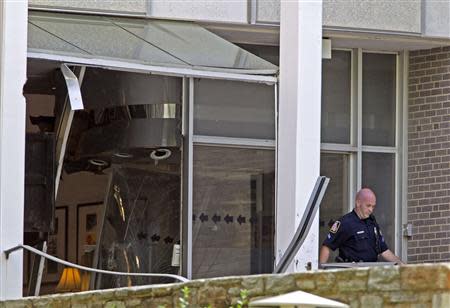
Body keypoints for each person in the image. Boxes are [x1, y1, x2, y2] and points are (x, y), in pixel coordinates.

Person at [319, 188, 404, 265]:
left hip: (371, 271)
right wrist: (321, 273)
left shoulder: (372, 222)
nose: (371, 210)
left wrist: (402, 265)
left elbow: (384, 250)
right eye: (368, 205)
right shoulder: (345, 223)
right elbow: (327, 246)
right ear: (358, 203)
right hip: (351, 272)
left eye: (373, 206)